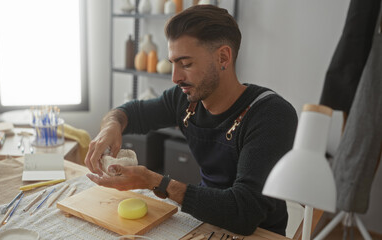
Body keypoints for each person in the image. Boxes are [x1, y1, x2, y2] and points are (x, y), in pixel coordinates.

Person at [85, 5, 298, 236]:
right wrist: (111, 125)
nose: (175, 77)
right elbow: (130, 112)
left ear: (223, 57)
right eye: (173, 62)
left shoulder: (271, 115)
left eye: (186, 64)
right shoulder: (185, 99)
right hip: (204, 221)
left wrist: (155, 181)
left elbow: (243, 212)